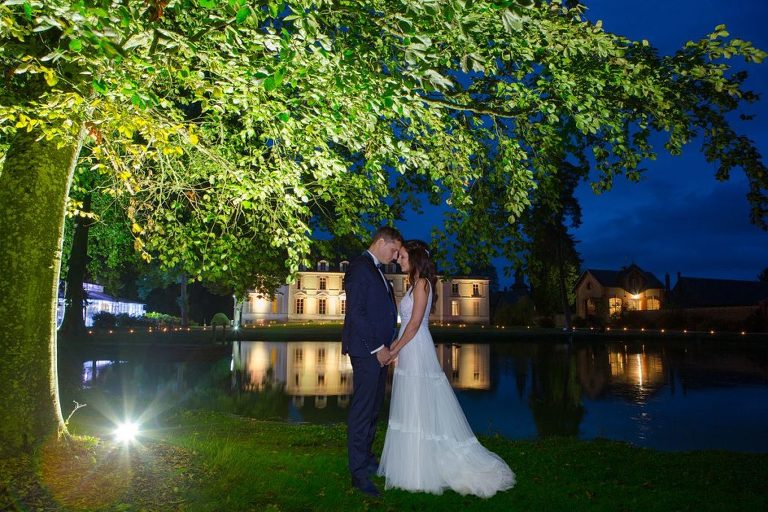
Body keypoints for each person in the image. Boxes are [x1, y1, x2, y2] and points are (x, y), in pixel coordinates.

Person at [377, 240, 516, 497]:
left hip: (416, 348)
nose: (399, 260)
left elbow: (415, 324)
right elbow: (407, 323)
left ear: (417, 259)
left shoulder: (422, 285)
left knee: (418, 404)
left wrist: (393, 349)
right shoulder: (414, 284)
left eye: (404, 256)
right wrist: (396, 348)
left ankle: (420, 471)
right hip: (410, 348)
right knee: (411, 404)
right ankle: (412, 466)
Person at [342, 226, 403, 497]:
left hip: (379, 352)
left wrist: (388, 346)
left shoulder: (376, 269)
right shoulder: (359, 267)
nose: (395, 256)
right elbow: (356, 313)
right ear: (381, 242)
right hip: (367, 352)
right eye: (393, 250)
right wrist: (378, 347)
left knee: (374, 408)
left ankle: (366, 458)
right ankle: (358, 473)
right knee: (363, 410)